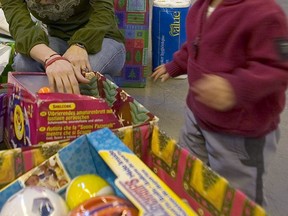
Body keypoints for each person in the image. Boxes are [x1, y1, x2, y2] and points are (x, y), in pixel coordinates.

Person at [152, 0, 288, 207]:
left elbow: (278, 68)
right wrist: (177, 64)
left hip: (240, 133)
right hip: (196, 116)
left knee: (236, 196)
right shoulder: (201, 6)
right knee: (187, 168)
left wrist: (235, 87)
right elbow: (196, 44)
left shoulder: (264, 13)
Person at [1, 0, 126, 94]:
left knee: (81, 74)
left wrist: (80, 45)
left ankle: (104, 101)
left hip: (102, 38)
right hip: (59, 39)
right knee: (24, 65)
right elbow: (21, 28)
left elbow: (103, 13)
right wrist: (51, 58)